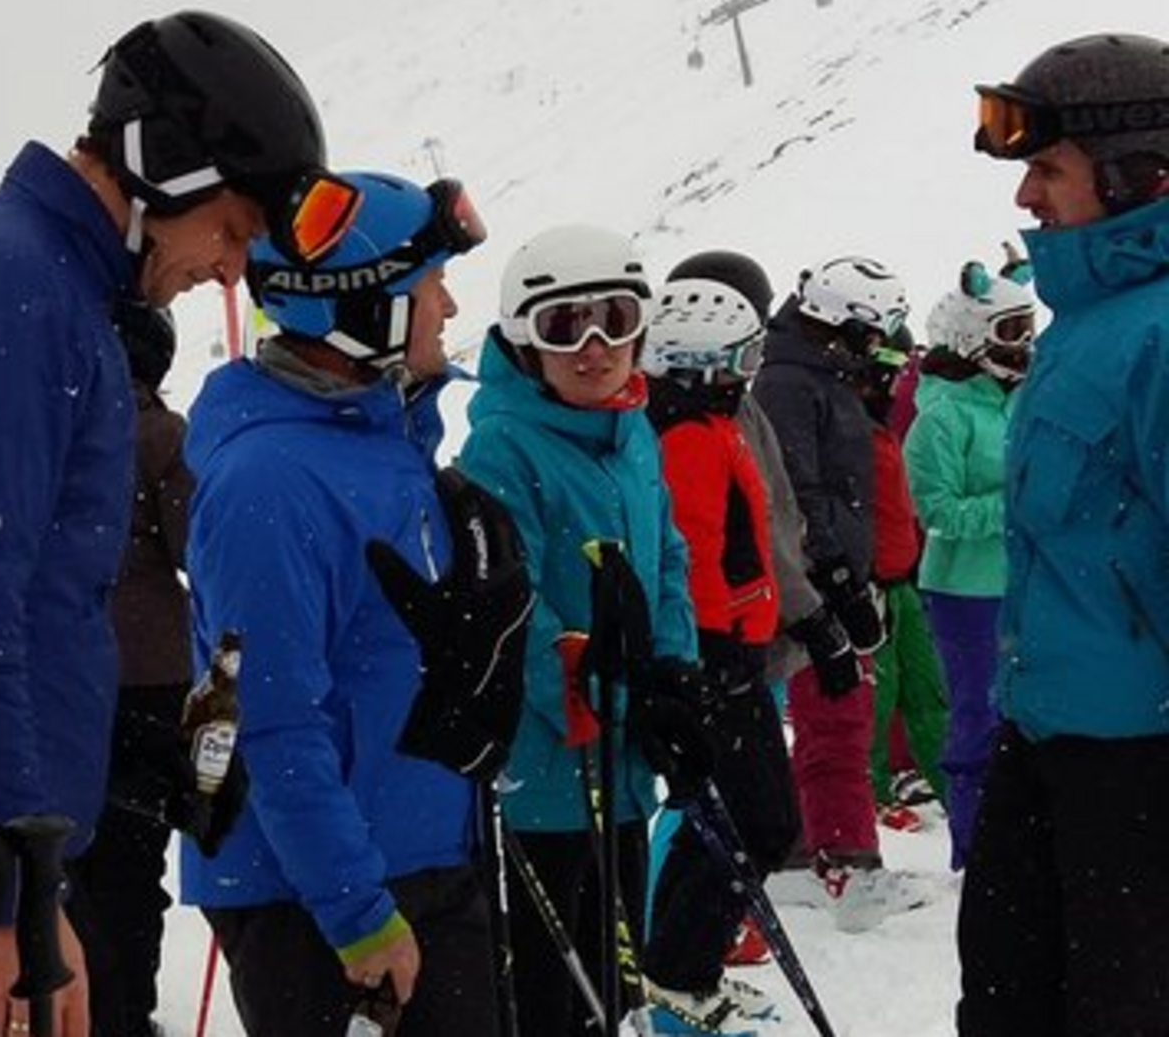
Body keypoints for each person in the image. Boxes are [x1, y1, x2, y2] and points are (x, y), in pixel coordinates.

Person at [0, 9, 351, 1037]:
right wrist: (10, 899)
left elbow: (30, 598)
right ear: (166, 171)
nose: (229, 271)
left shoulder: (48, 288)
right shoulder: (5, 289)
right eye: (230, 231)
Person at [178, 170, 528, 1037]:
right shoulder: (269, 481)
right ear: (367, 312)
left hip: (414, 853)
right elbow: (268, 718)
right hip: (322, 898)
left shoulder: (386, 443)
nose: (449, 307)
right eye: (430, 286)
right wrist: (355, 909)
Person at [960, 32, 1169, 1035]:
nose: (1024, 196)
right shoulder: (1083, 325)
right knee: (1005, 998)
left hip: (1139, 765)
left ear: (1137, 175)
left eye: (1046, 169)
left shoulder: (1158, 332)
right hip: (1047, 734)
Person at [459, 224, 711, 1037]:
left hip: (625, 760)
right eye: (566, 326)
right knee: (554, 985)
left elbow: (668, 558)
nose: (595, 348)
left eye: (616, 319)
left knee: (617, 967)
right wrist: (603, 693)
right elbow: (513, 606)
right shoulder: (502, 447)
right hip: (549, 766)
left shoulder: (632, 431)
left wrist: (672, 676)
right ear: (525, 339)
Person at [636, 275, 797, 1033]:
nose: (749, 373)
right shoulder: (689, 438)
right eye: (741, 359)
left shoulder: (707, 423)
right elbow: (693, 550)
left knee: (728, 816)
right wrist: (718, 651)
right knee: (757, 823)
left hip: (732, 650)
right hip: (718, 659)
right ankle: (680, 973)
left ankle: (675, 968)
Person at [753, 255, 922, 932]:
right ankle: (847, 862)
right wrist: (838, 581)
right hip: (814, 584)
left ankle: (802, 853)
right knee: (838, 718)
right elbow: (799, 491)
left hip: (827, 575)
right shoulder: (792, 384)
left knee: (834, 717)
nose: (878, 348)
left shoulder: (819, 377)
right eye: (872, 333)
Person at [70, 301, 196, 1037]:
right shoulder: (159, 434)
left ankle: (80, 1007)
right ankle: (127, 1014)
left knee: (72, 862)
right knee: (133, 862)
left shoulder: (55, 428)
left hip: (65, 677)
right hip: (149, 676)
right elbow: (196, 547)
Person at [902, 264, 1032, 867]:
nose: (1023, 344)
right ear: (971, 337)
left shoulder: (1019, 400)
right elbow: (939, 510)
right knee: (978, 717)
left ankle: (1021, 844)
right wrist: (1016, 505)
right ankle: (976, 851)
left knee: (1027, 715)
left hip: (1028, 583)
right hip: (965, 593)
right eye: (1009, 330)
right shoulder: (943, 417)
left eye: (1027, 327)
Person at [854, 330, 949, 837]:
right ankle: (873, 791)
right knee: (879, 696)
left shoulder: (883, 427)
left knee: (927, 689)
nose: (896, 379)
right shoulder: (851, 430)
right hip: (871, 583)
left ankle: (955, 785)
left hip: (902, 576)